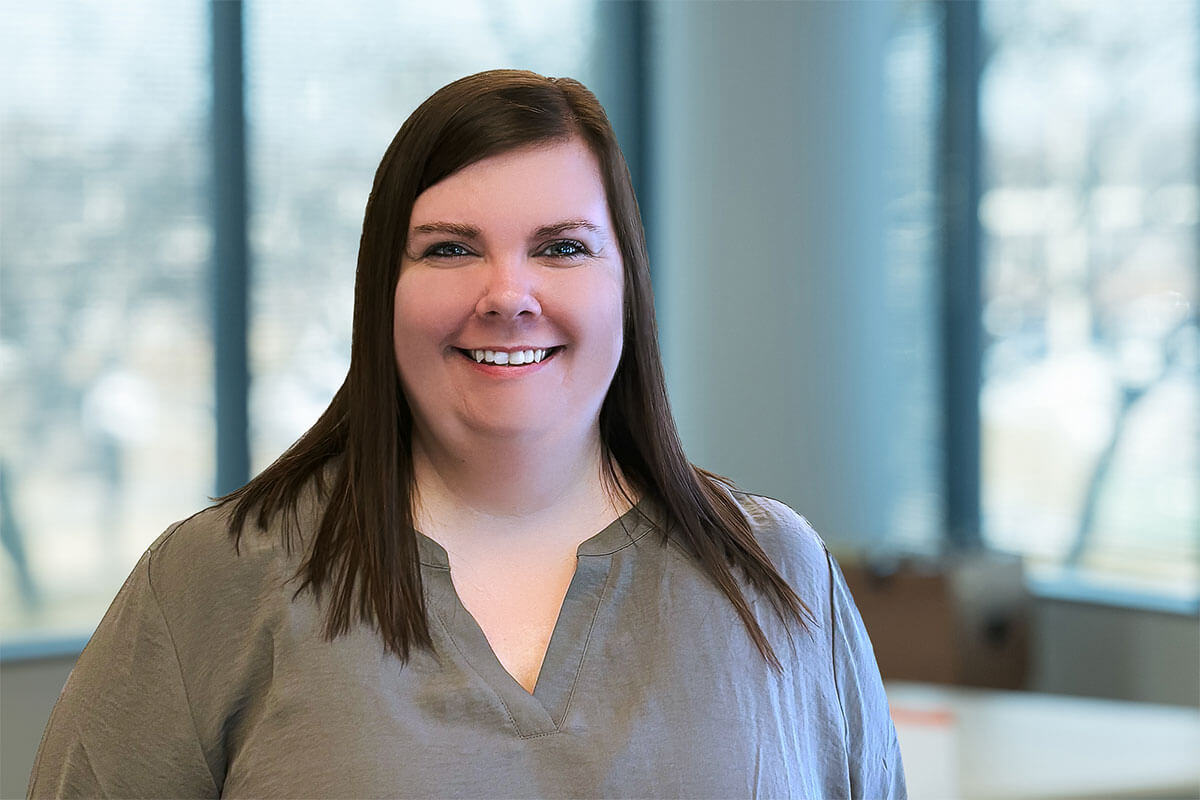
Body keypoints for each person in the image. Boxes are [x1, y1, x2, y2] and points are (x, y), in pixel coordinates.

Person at [29, 70, 905, 799]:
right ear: (384, 289)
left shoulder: (779, 577)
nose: (508, 295)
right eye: (450, 248)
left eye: (562, 248)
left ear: (627, 286)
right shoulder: (212, 581)